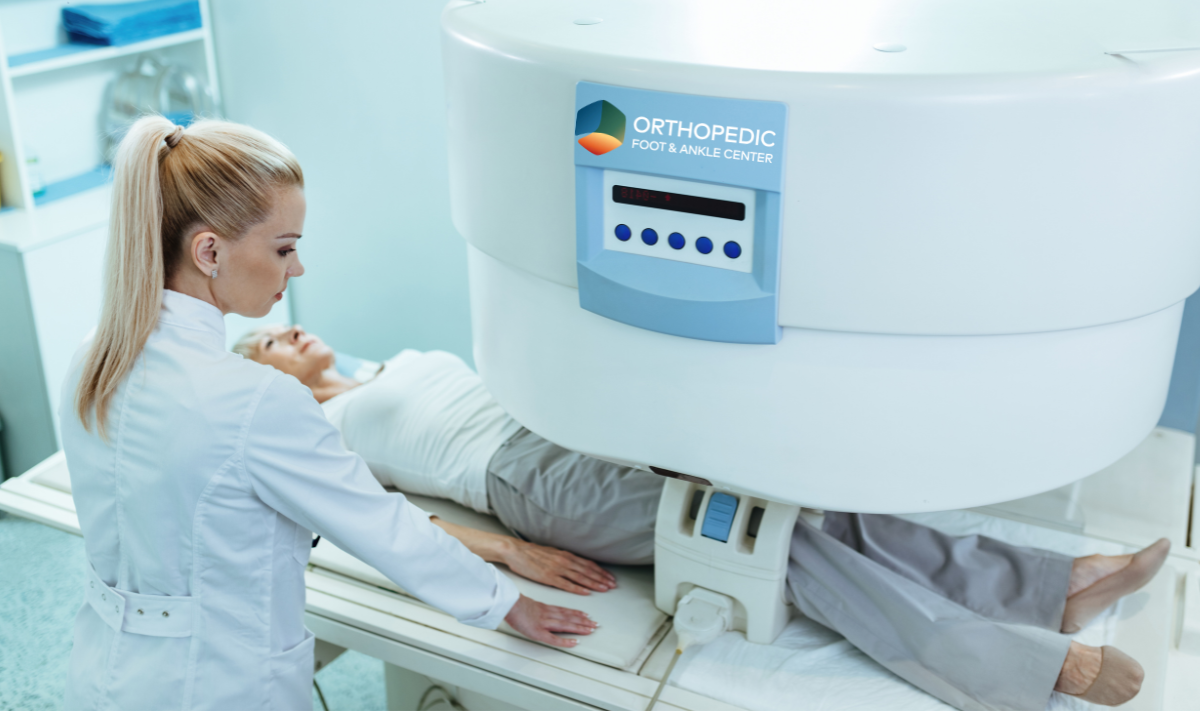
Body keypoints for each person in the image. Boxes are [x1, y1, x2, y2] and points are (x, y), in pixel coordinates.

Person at [238, 322, 1172, 710]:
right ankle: (1024, 663)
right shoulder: (323, 429)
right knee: (769, 539)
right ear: (266, 379)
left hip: (568, 432)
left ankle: (1050, 584)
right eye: (268, 344)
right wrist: (508, 551)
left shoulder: (393, 362)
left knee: (804, 503)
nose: (288, 331)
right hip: (530, 483)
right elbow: (377, 520)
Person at [60, 117, 594, 711]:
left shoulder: (92, 356)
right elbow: (380, 525)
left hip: (104, 674)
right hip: (217, 685)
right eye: (284, 248)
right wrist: (505, 602)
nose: (296, 269)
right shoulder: (251, 399)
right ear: (209, 251)